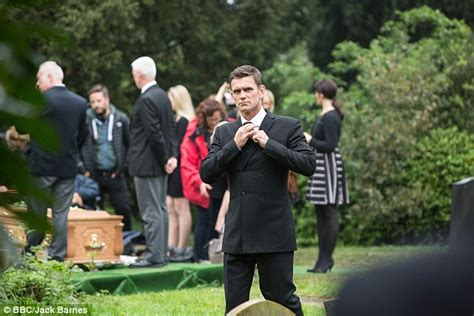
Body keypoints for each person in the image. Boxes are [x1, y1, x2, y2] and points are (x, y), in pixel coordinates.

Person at [200, 65, 315, 315]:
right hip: (238, 232)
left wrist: (268, 144)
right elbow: (206, 172)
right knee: (235, 307)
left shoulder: (287, 126)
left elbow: (308, 164)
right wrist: (235, 144)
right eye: (236, 91)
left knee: (283, 300)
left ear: (261, 91)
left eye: (248, 89)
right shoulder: (225, 132)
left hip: (274, 230)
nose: (242, 96)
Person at [25, 61, 87, 262]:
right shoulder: (79, 103)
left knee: (37, 213)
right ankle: (57, 257)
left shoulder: (40, 101)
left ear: (50, 77)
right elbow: (82, 136)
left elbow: (20, 126)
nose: (37, 83)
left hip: (41, 166)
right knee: (61, 214)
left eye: (39, 78)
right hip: (67, 167)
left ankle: (31, 253)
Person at [128, 56, 178, 268]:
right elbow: (171, 130)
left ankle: (154, 255)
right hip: (160, 162)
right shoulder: (163, 96)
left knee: (151, 210)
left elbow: (154, 134)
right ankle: (161, 252)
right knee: (160, 209)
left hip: (148, 162)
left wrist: (166, 158)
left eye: (133, 74)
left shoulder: (146, 99)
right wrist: (171, 156)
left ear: (139, 75)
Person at [304, 79, 349, 273]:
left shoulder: (331, 116)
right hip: (320, 165)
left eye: (316, 92)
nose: (315, 95)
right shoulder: (325, 114)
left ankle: (326, 259)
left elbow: (330, 145)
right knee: (321, 213)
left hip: (329, 166)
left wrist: (310, 139)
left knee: (329, 212)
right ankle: (321, 261)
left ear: (320, 94)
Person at [79, 84, 132, 230]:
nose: (96, 105)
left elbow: (130, 144)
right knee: (93, 211)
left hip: (116, 174)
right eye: (93, 102)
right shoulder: (85, 120)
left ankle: (127, 241)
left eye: (99, 101)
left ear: (107, 100)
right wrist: (84, 169)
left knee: (123, 209)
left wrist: (123, 166)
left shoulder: (121, 118)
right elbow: (77, 145)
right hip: (94, 175)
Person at [180, 98, 227, 263]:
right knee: (204, 220)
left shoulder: (226, 127)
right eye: (212, 120)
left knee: (217, 220)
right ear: (204, 118)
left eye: (217, 119)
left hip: (222, 182)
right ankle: (198, 255)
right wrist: (199, 181)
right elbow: (188, 163)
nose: (215, 122)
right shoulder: (194, 135)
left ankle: (214, 253)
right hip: (203, 182)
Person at [166, 85, 195, 261]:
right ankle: (172, 245)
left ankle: (181, 247)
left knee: (181, 208)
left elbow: (181, 147)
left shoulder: (185, 120)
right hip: (174, 167)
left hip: (181, 167)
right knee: (171, 206)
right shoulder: (177, 119)